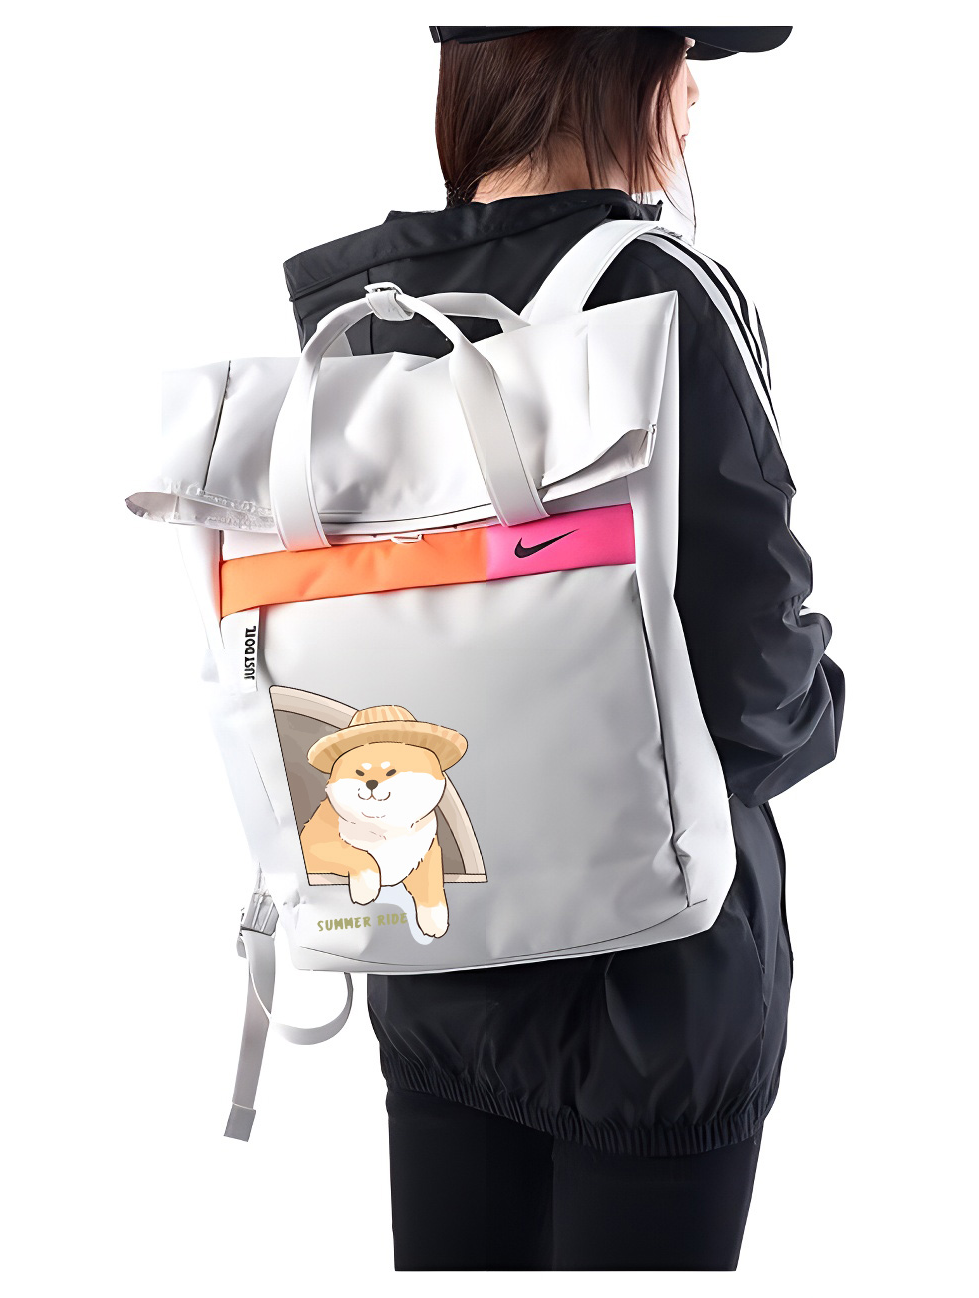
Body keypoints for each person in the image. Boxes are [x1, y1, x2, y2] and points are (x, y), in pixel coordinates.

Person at [282, 26, 844, 1271]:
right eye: (682, 51)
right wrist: (824, 705)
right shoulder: (663, 289)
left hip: (440, 945)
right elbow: (753, 678)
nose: (690, 92)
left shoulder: (372, 309)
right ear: (614, 63)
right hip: (656, 984)